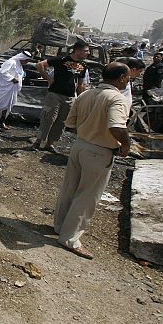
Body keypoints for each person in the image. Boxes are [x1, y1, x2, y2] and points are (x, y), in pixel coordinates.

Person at [53, 62, 131, 259]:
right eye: (128, 77)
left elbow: (70, 124)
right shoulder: (116, 99)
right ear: (121, 78)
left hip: (80, 145)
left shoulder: (86, 94)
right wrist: (126, 145)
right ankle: (70, 238)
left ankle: (60, 226)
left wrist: (89, 129)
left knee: (70, 188)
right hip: (99, 151)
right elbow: (116, 127)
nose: (129, 81)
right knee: (87, 196)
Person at [32, 40, 90, 152]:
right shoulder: (61, 60)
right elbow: (40, 65)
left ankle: (49, 144)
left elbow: (81, 84)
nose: (88, 53)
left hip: (69, 97)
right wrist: (48, 79)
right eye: (86, 51)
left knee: (62, 122)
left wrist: (80, 99)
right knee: (48, 118)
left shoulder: (83, 65)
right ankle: (38, 142)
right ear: (78, 51)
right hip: (55, 94)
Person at [0, 52, 32, 130]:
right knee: (3, 104)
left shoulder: (19, 65)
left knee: (8, 105)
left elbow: (19, 74)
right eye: (26, 60)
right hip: (6, 88)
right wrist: (12, 79)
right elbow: (3, 72)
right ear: (22, 58)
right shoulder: (11, 62)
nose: (26, 62)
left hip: (12, 89)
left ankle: (2, 121)